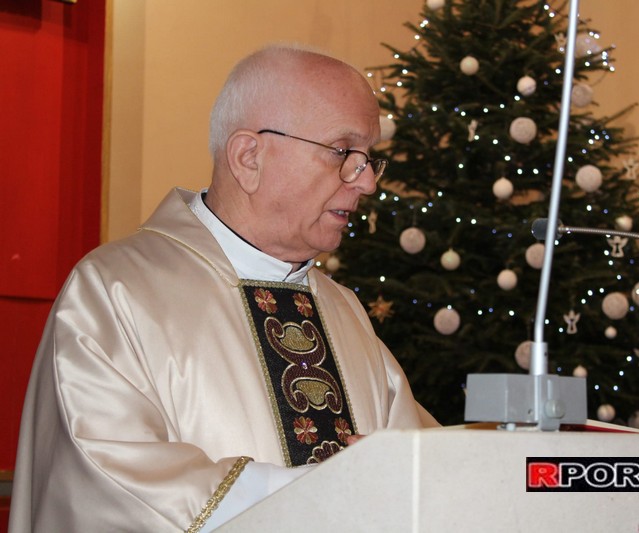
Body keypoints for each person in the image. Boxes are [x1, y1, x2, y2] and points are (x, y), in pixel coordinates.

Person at [9, 45, 438, 532]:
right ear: (248, 157)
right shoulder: (115, 291)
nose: (366, 184)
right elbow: (105, 479)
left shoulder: (342, 308)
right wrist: (319, 491)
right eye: (343, 153)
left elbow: (419, 464)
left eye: (369, 160)